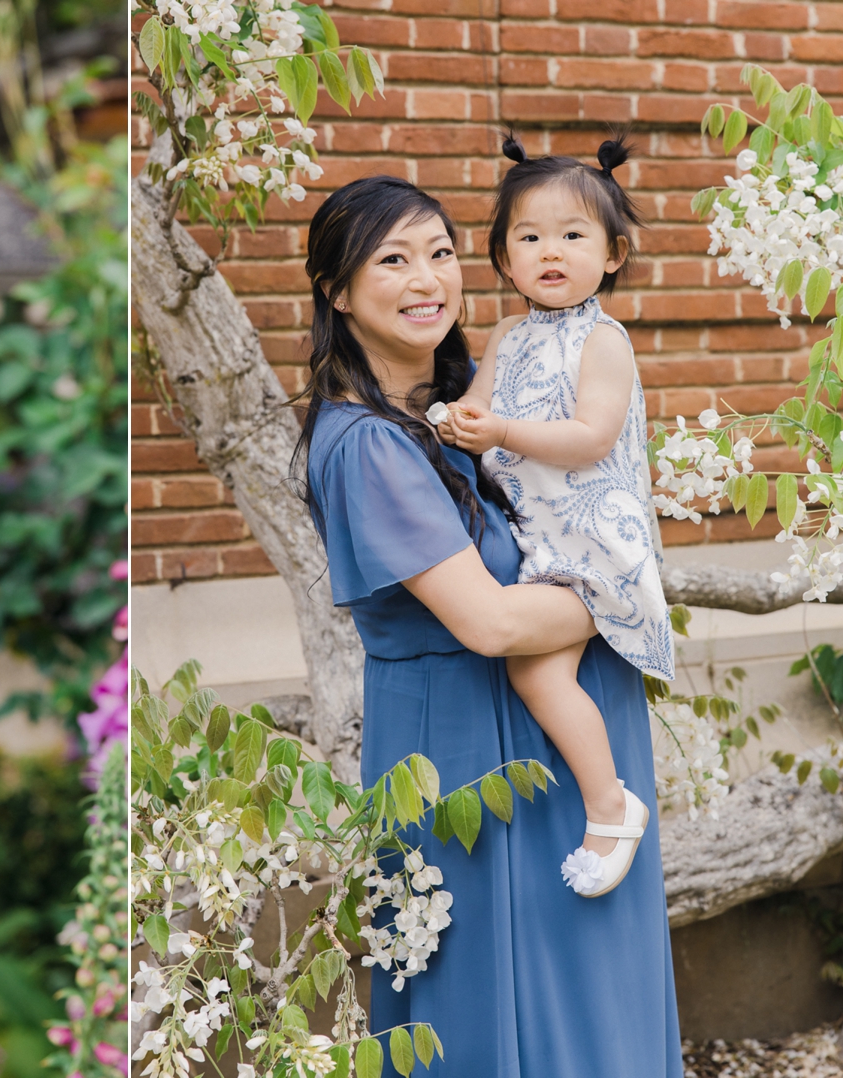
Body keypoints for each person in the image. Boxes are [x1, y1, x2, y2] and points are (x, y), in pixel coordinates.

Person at [294, 174, 681, 1077]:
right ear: (336, 289)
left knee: (595, 1009)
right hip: (468, 755)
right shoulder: (367, 446)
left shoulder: (465, 402)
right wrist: (626, 591)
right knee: (496, 1020)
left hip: (561, 744)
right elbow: (498, 625)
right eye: (392, 259)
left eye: (440, 252)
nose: (427, 278)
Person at [434, 133, 673, 899]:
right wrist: (457, 419)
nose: (551, 251)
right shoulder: (507, 334)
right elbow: (480, 405)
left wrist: (500, 433)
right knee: (535, 673)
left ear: (612, 254)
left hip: (600, 548)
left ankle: (609, 807)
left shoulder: (603, 341)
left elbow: (588, 437)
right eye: (529, 237)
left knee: (525, 658)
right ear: (503, 260)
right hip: (544, 541)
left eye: (573, 236)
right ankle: (608, 804)